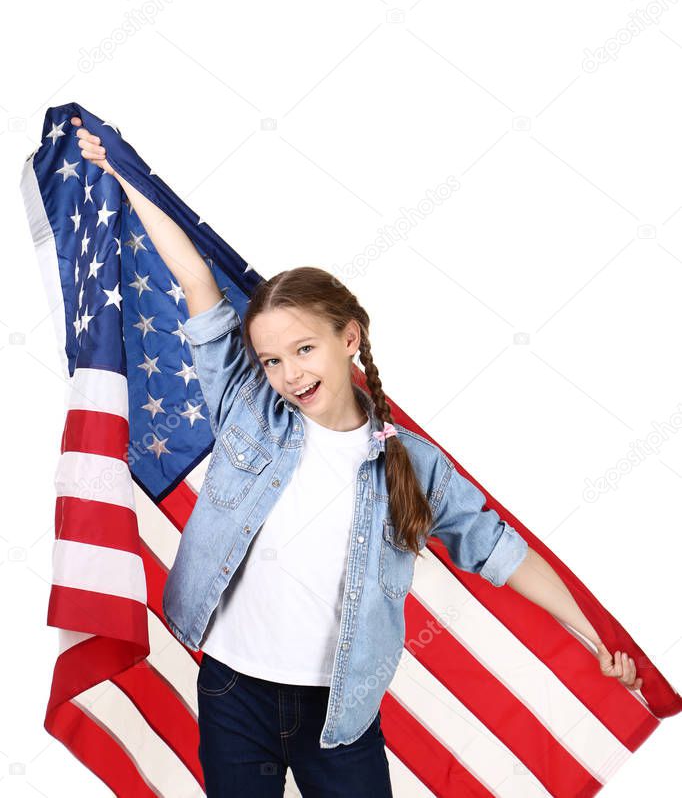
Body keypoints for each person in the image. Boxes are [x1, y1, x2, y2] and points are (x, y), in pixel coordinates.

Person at [71, 116, 642, 797]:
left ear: (350, 338)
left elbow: (502, 551)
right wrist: (122, 173)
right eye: (272, 359)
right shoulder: (247, 409)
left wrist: (593, 636)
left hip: (338, 712)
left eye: (304, 349)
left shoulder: (414, 464)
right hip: (233, 687)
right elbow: (196, 280)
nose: (289, 373)